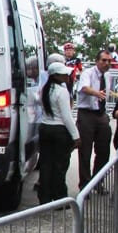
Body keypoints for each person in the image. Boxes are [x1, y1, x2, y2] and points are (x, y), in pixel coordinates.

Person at [37, 62, 81, 204]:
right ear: (56, 76)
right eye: (63, 73)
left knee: (45, 165)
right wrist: (76, 136)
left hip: (45, 127)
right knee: (59, 166)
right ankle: (59, 197)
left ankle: (44, 197)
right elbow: (66, 116)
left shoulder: (44, 90)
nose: (67, 75)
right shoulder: (61, 92)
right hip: (59, 130)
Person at [76, 50, 113, 191]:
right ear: (97, 61)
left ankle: (98, 181)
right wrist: (96, 93)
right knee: (85, 150)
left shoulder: (108, 75)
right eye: (104, 60)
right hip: (87, 113)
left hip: (101, 113)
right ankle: (85, 184)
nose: (106, 64)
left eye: (109, 61)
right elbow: (84, 87)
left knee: (103, 149)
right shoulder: (88, 73)